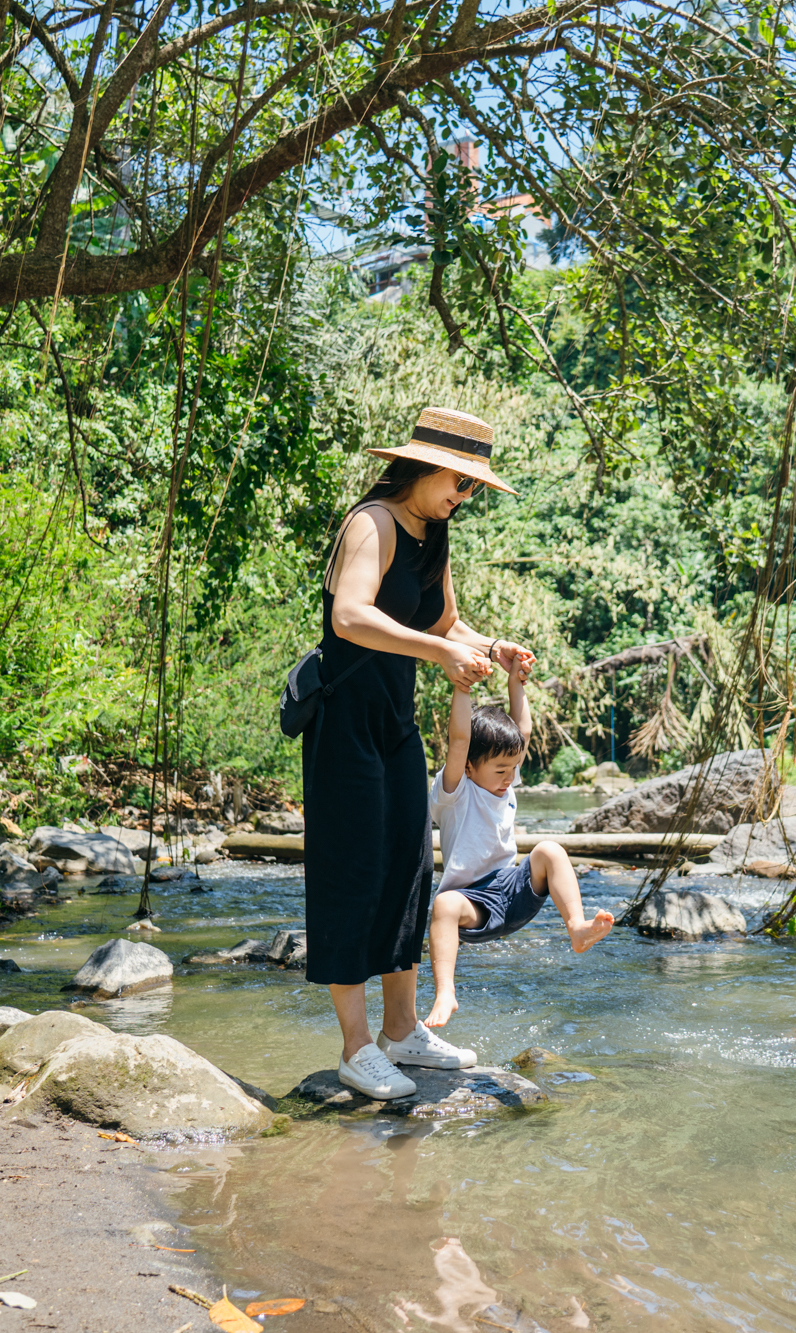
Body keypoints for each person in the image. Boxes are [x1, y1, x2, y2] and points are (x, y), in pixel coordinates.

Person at [303, 406, 536, 1103]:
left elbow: (441, 621)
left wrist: (490, 648)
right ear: (423, 465)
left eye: (471, 489)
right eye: (459, 483)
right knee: (352, 870)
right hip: (344, 719)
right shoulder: (370, 522)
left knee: (408, 863)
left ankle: (402, 1029)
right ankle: (354, 1046)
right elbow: (351, 614)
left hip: (394, 722)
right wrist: (440, 652)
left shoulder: (433, 535)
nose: (462, 499)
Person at [426, 658, 615, 1029]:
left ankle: (576, 927)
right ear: (468, 766)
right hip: (473, 904)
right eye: (500, 770)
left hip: (510, 890)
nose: (509, 778)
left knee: (549, 850)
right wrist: (461, 685)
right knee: (444, 904)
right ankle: (445, 991)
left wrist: (517, 682)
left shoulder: (505, 781)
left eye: (513, 769)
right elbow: (460, 740)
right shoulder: (454, 792)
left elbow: (522, 731)